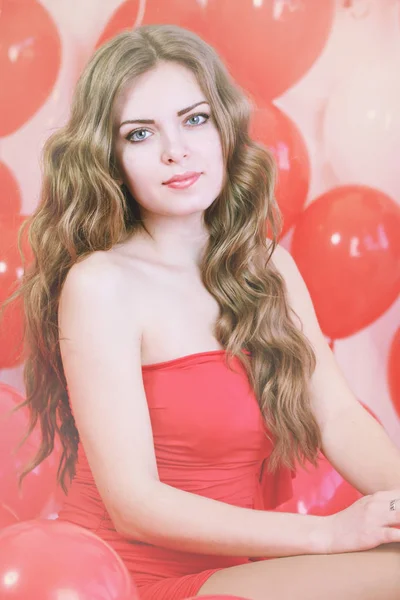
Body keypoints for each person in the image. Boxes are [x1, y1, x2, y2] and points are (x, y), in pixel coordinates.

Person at [7, 24, 400, 600]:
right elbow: (134, 505)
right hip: (132, 578)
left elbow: (338, 415)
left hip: (247, 567)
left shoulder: (267, 267)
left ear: (223, 128)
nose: (176, 150)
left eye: (194, 120)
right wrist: (328, 534)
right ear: (109, 157)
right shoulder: (101, 286)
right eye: (140, 134)